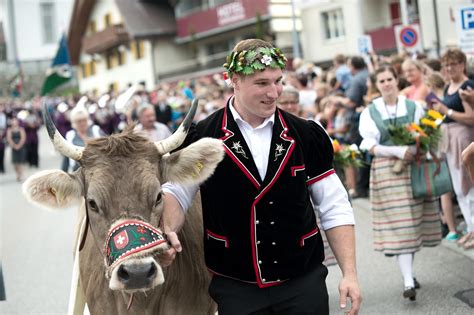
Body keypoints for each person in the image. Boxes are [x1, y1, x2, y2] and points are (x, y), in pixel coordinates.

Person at [160, 39, 361, 315]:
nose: (274, 92)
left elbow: (334, 206)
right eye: (262, 83)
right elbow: (178, 193)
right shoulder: (204, 136)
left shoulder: (305, 134)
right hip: (237, 288)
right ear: (234, 80)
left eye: (278, 81)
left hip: (302, 282)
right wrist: (167, 229)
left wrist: (349, 273)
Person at [359, 65, 442, 301]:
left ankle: (408, 274)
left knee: (411, 224)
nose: (386, 84)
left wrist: (416, 146)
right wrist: (397, 150)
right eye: (382, 80)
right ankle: (407, 280)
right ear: (377, 84)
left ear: (397, 80)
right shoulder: (370, 111)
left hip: (412, 168)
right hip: (386, 171)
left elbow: (424, 135)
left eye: (389, 79)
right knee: (401, 225)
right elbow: (369, 145)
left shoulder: (413, 106)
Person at [433, 49, 474, 250]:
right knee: (459, 189)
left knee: (469, 187)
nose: (449, 68)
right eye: (447, 65)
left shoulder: (467, 86)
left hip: (464, 138)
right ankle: (470, 228)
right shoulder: (449, 85)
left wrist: (446, 111)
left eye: (454, 64)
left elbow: (471, 118)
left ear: (462, 64)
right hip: (450, 139)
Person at [62, 105, 104, 172]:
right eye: (79, 121)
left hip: (98, 170)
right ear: (74, 122)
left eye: (84, 120)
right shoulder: (70, 135)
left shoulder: (96, 131)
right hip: (77, 172)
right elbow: (66, 159)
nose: (82, 123)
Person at [6, 117, 27, 181]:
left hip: (20, 147)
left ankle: (21, 174)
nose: (14, 122)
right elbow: (9, 138)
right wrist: (14, 145)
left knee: (21, 162)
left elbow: (23, 137)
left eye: (15, 121)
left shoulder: (21, 129)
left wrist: (19, 145)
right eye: (13, 121)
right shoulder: (9, 130)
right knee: (15, 162)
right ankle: (17, 173)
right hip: (13, 147)